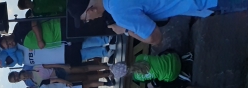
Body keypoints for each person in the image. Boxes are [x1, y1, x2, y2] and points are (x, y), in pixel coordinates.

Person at [78, 0, 248, 46]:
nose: (89, 20)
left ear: (90, 9)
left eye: (85, 19)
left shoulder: (119, 13)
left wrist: (126, 30)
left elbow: (155, 38)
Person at [110, 53, 183, 83]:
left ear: (125, 75)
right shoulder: (139, 57)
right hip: (174, 59)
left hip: (172, 75)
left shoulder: (137, 77)